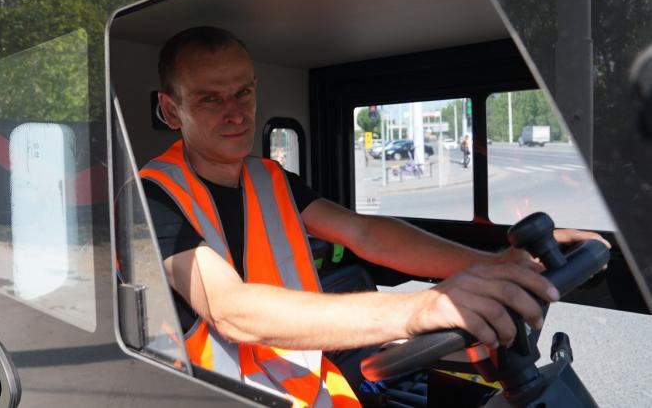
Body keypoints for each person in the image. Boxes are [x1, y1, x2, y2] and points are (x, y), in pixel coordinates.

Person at [140, 27, 604, 407]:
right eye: (209, 99)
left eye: (243, 92)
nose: (236, 113)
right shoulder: (151, 197)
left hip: (311, 390)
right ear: (170, 110)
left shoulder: (270, 178)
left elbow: (366, 234)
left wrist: (493, 263)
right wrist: (421, 308)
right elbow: (230, 310)